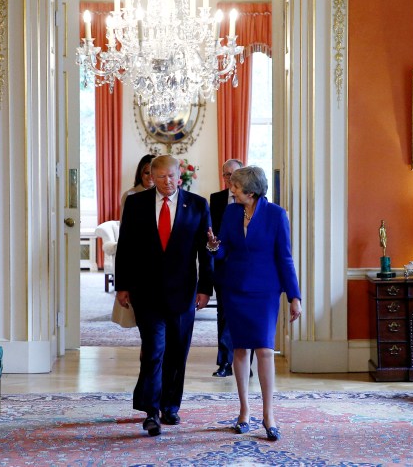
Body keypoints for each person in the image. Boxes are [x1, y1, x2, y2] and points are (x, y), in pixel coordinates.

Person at [114, 154, 214, 437]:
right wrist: (123, 286)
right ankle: (151, 412)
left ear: (179, 175)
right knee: (154, 351)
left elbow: (205, 250)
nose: (167, 182)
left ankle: (171, 405)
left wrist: (206, 288)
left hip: (183, 293)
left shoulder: (197, 205)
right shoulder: (136, 204)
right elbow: (126, 248)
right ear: (151, 178)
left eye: (171, 176)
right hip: (147, 293)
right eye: (161, 177)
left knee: (177, 352)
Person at [206, 166, 302, 442]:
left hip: (265, 292)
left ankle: (269, 414)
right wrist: (214, 246)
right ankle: (244, 412)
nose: (231, 190)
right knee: (239, 349)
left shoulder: (276, 215)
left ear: (250, 191)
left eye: (235, 187)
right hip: (234, 289)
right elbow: (223, 250)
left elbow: (285, 258)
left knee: (264, 349)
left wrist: (294, 296)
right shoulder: (232, 212)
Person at [208, 158, 244, 378]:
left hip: (245, 268)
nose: (230, 178)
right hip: (222, 265)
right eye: (226, 174)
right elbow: (212, 232)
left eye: (234, 174)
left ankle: (243, 361)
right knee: (224, 314)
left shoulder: (252, 200)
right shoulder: (216, 199)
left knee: (242, 315)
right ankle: (224, 362)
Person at [120, 154, 155, 220]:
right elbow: (123, 225)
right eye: (147, 173)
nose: (150, 177)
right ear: (140, 173)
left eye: (153, 173)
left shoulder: (162, 195)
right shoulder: (129, 195)